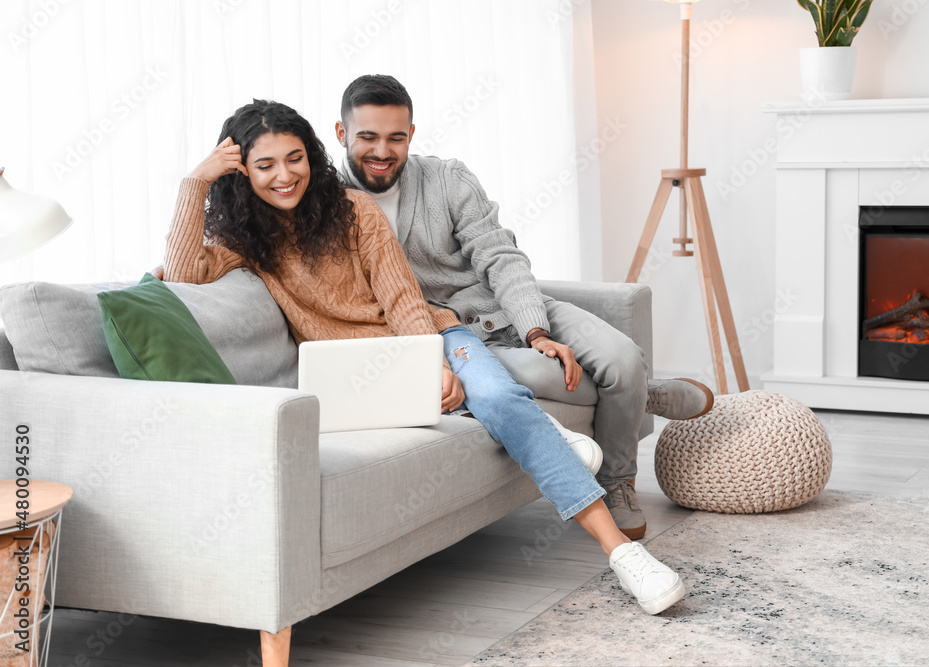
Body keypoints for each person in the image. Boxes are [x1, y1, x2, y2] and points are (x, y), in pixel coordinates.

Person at [162, 100, 687, 615]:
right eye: (265, 164)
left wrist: (430, 362)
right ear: (241, 171)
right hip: (359, 376)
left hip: (435, 336)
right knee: (504, 405)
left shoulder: (353, 211)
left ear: (313, 154)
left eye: (294, 158)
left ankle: (623, 553)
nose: (284, 175)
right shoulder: (244, 240)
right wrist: (194, 184)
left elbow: (403, 298)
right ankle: (550, 434)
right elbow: (183, 274)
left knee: (500, 399)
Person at [334, 75, 714, 541]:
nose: (382, 151)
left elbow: (500, 256)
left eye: (396, 137)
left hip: (511, 308)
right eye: (367, 137)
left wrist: (536, 330)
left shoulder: (448, 178)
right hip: (459, 339)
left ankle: (631, 388)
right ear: (341, 134)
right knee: (547, 378)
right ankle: (624, 446)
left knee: (623, 357)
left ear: (411, 134)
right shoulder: (328, 204)